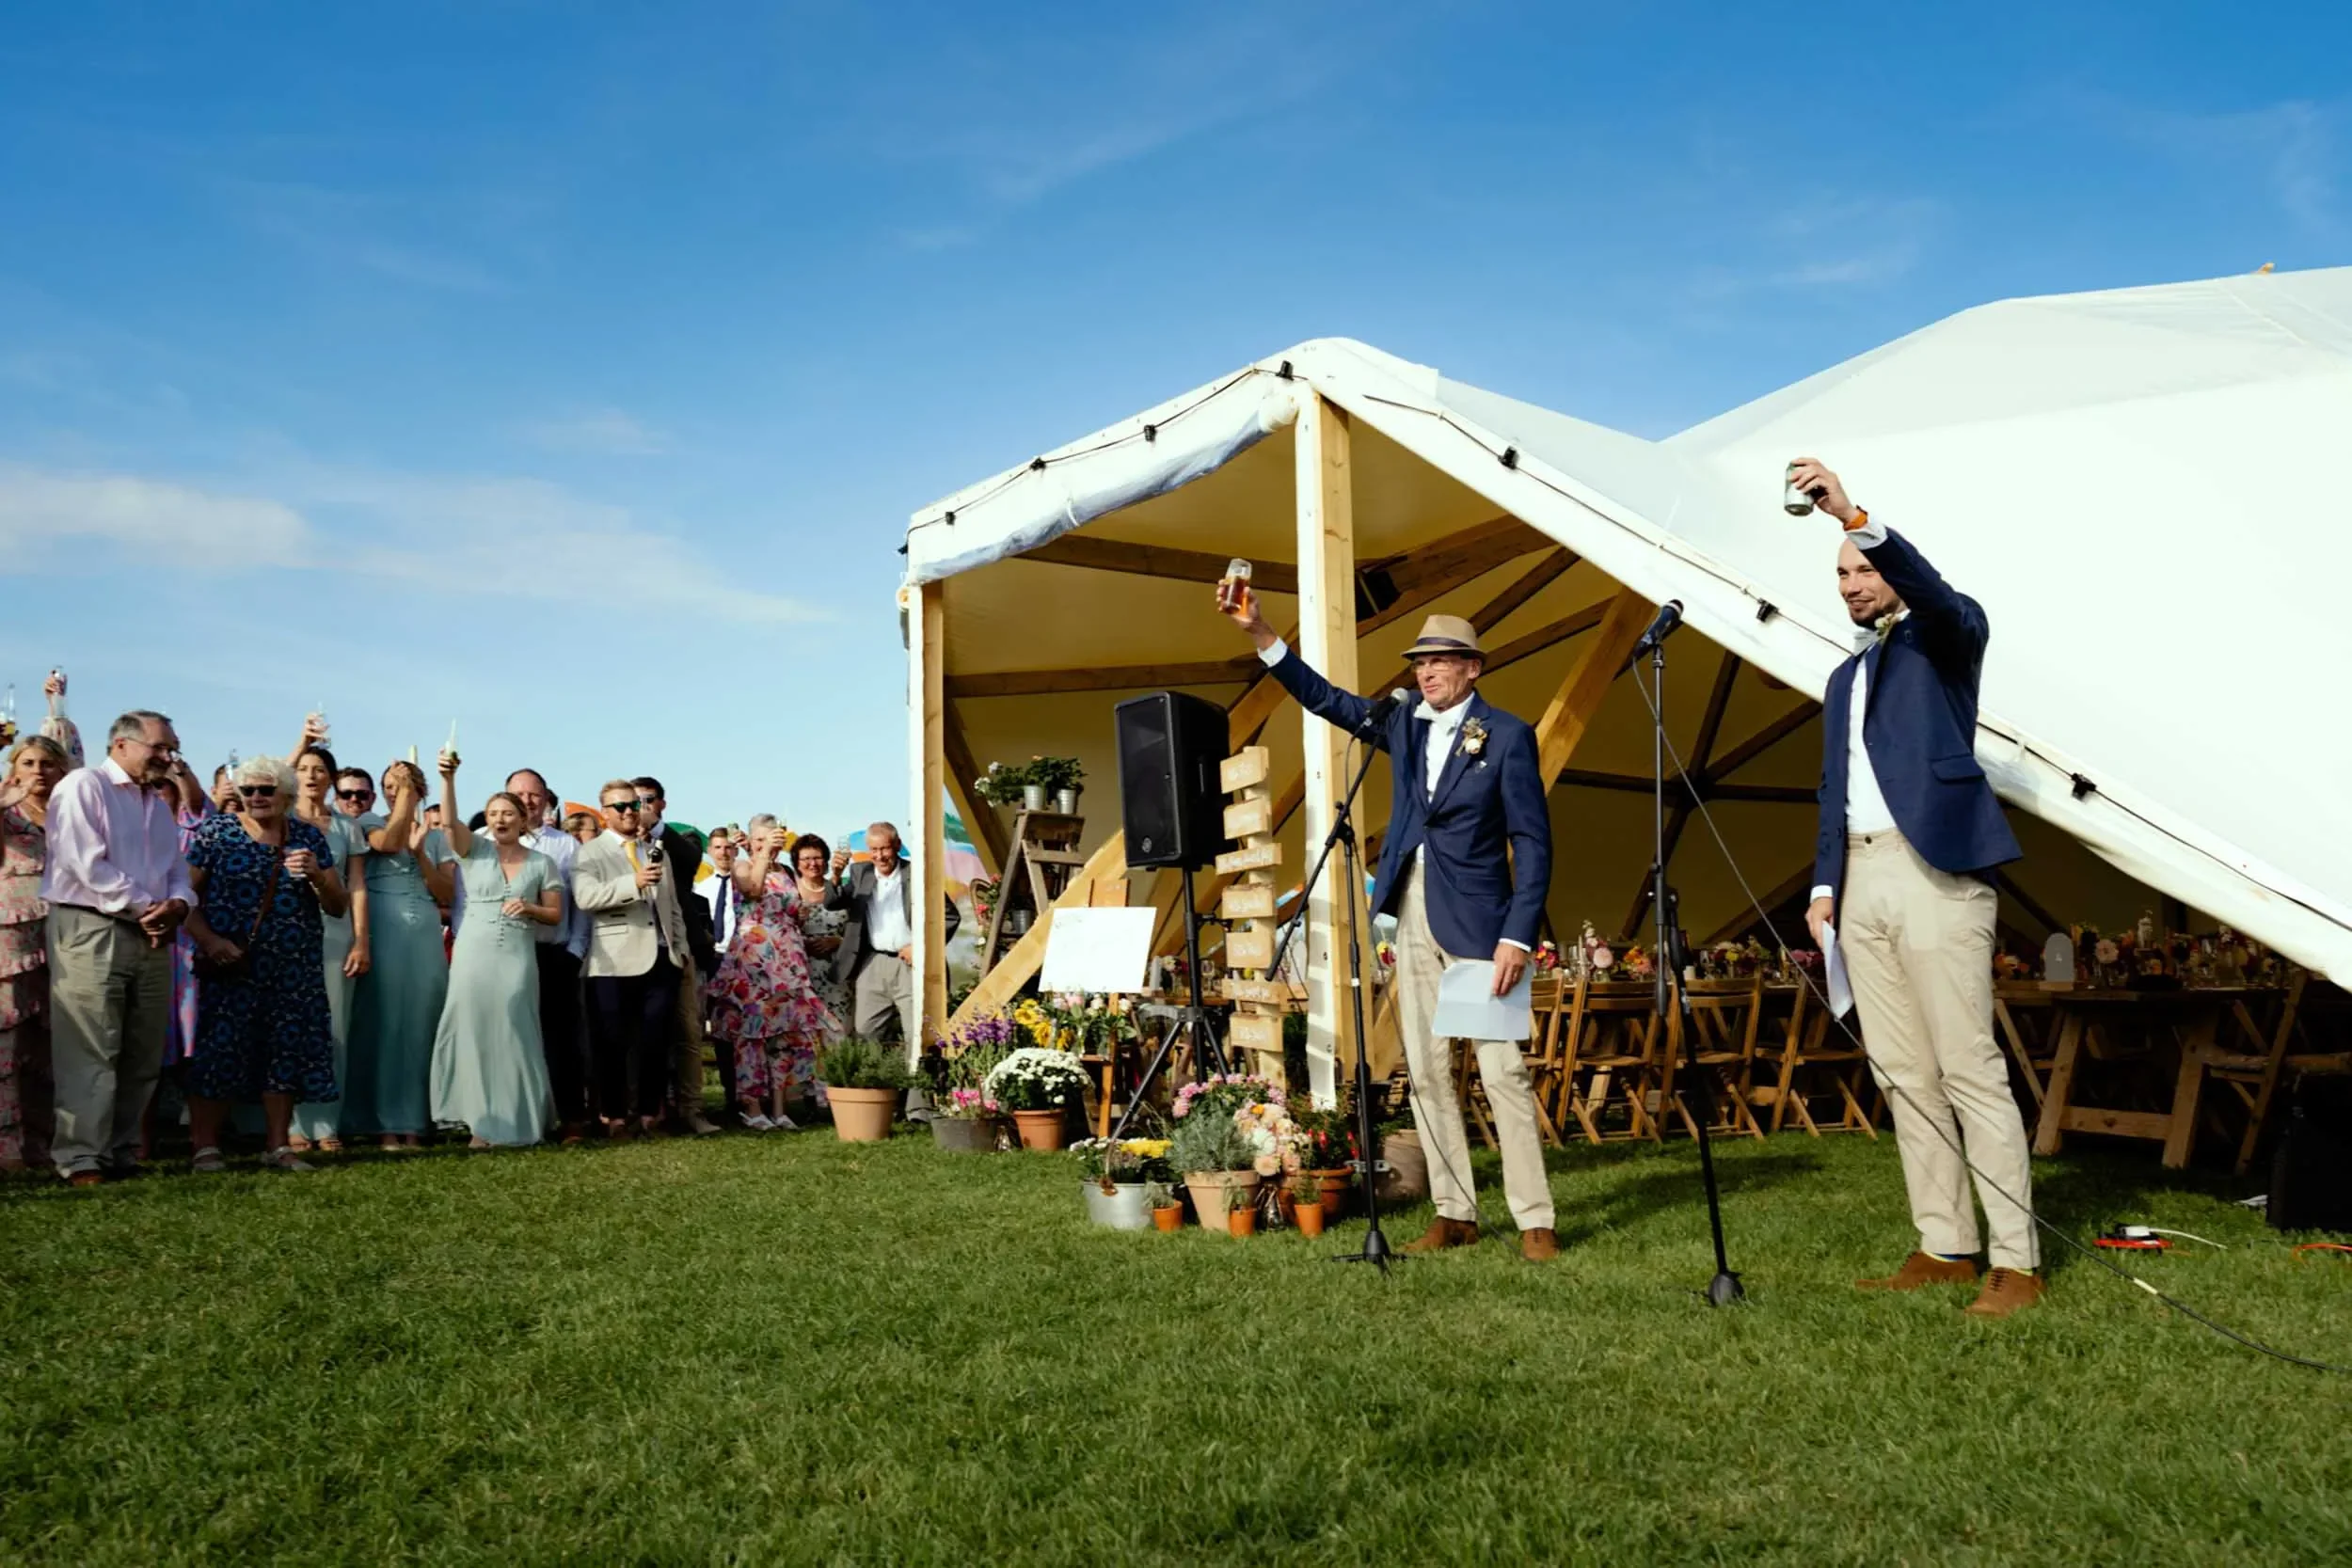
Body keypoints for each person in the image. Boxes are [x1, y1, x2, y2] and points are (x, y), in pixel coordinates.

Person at [1219, 587, 1559, 1260]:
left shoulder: (1511, 735)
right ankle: (1454, 1211)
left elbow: (1536, 840)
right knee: (1427, 1072)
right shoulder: (1402, 722)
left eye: (1440, 661)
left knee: (1501, 1072)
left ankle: (1535, 1219)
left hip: (1484, 925)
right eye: (1420, 663)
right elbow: (1327, 699)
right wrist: (1262, 633)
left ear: (1473, 668)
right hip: (1410, 909)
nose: (1425, 672)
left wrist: (1518, 935)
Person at [1790, 457, 2039, 1319]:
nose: (1853, 583)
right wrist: (1825, 884)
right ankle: (1946, 1242)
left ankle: (2018, 1259)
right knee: (1901, 1072)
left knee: (1969, 1064)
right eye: (1843, 573)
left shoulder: (1946, 635)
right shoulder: (1841, 678)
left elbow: (1934, 594)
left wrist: (1852, 516)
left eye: (1865, 568)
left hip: (1936, 869)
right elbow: (1834, 788)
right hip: (1859, 880)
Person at [40, 712, 192, 1185]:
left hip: (150, 933)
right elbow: (84, 862)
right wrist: (150, 907)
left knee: (141, 1049)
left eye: (172, 749)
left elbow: (177, 871)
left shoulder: (156, 804)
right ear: (123, 744)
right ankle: (82, 1156)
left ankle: (121, 1149)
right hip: (92, 926)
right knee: (90, 1045)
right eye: (160, 748)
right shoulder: (83, 787)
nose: (168, 758)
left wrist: (179, 905)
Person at [181, 753, 345, 1173]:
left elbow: (338, 905)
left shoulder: (307, 837)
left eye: (266, 789)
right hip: (232, 961)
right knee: (220, 1049)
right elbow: (183, 896)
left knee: (285, 1051)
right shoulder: (216, 832)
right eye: (248, 790)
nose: (256, 797)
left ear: (286, 795)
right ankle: (205, 1146)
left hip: (294, 965)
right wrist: (210, 940)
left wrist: (316, 875)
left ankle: (277, 1145)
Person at [428, 758, 563, 1147]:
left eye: (507, 813)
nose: (500, 819)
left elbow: (555, 915)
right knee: (471, 1029)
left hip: (517, 955)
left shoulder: (542, 862)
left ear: (524, 819)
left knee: (513, 1029)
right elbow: (451, 823)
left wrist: (531, 908)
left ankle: (521, 1118)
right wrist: (448, 779)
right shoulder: (474, 850)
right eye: (493, 814)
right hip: (473, 951)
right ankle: (478, 1124)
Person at [342, 760, 453, 1150]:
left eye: (402, 785)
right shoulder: (369, 820)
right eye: (389, 785)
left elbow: (447, 894)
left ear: (419, 790)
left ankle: (419, 1120)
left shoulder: (437, 837)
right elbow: (387, 844)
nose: (393, 790)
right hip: (382, 928)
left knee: (422, 1020)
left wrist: (421, 853)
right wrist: (404, 804)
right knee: (384, 1022)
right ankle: (381, 1121)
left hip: (423, 930)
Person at [575, 780, 693, 1138]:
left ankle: (648, 1114)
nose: (629, 811)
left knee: (655, 1039)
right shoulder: (590, 852)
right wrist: (634, 884)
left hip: (661, 957)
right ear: (605, 813)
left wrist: (680, 948)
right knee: (612, 1041)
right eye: (620, 807)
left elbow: (671, 904)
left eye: (633, 805)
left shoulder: (655, 850)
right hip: (613, 960)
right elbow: (586, 897)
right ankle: (613, 1116)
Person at [708, 816, 838, 1130]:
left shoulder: (785, 872)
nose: (770, 845)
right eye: (761, 840)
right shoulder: (742, 865)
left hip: (788, 961)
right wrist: (764, 853)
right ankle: (752, 1108)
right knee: (751, 1035)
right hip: (754, 961)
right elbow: (752, 891)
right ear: (750, 841)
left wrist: (802, 914)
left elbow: (794, 912)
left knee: (785, 1034)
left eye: (774, 839)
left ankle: (780, 1108)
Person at [287, 730, 371, 1151]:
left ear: (332, 779)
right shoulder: (281, 820)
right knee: (293, 1026)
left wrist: (362, 941)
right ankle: (294, 1125)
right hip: (289, 930)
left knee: (335, 1027)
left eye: (320, 770)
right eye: (304, 769)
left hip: (337, 934)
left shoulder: (345, 827)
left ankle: (327, 1124)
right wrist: (301, 741)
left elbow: (357, 886)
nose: (311, 776)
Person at [507, 768, 594, 1143]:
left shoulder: (564, 845)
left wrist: (574, 951)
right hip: (505, 954)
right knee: (509, 1037)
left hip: (554, 953)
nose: (527, 801)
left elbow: (580, 906)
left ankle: (572, 1118)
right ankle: (514, 1118)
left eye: (534, 794)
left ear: (546, 799)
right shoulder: (484, 841)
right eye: (519, 794)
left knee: (562, 1041)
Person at [632, 777, 720, 1134]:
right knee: (642, 1032)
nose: (638, 808)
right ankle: (647, 1110)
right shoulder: (615, 845)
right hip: (632, 948)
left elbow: (690, 861)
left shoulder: (678, 840)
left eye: (647, 800)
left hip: (677, 947)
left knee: (687, 1031)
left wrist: (654, 828)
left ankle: (692, 1109)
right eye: (631, 801)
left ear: (661, 804)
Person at [0, 735, 71, 1171]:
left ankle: (41, 1142)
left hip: (64, 932)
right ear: (15, 768)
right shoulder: (7, 811)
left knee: (49, 1039)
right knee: (7, 1036)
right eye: (29, 762)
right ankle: (6, 1147)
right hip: (12, 932)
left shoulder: (71, 812)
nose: (39, 771)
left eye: (48, 763)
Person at [834, 821, 958, 1062]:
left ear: (898, 846)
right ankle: (877, 1092)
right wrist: (836, 876)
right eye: (874, 850)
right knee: (866, 1033)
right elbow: (832, 902)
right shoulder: (861, 873)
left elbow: (950, 916)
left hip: (910, 964)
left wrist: (921, 948)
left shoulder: (917, 874)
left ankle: (917, 1098)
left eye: (885, 849)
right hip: (873, 963)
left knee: (917, 1035)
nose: (880, 856)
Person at [791, 833, 852, 1062]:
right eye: (806, 858)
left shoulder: (841, 890)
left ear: (826, 861)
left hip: (838, 973)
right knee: (807, 1031)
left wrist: (837, 942)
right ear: (797, 863)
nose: (812, 863)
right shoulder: (791, 893)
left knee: (839, 1029)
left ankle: (839, 1085)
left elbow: (857, 930)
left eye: (817, 858)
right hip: (803, 973)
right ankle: (811, 1091)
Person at [697, 827, 743, 1119]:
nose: (724, 852)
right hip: (714, 959)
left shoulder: (746, 885)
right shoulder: (700, 887)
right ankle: (730, 1095)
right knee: (721, 1033)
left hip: (743, 959)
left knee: (746, 1032)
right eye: (718, 847)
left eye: (728, 847)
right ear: (710, 852)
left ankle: (749, 1095)